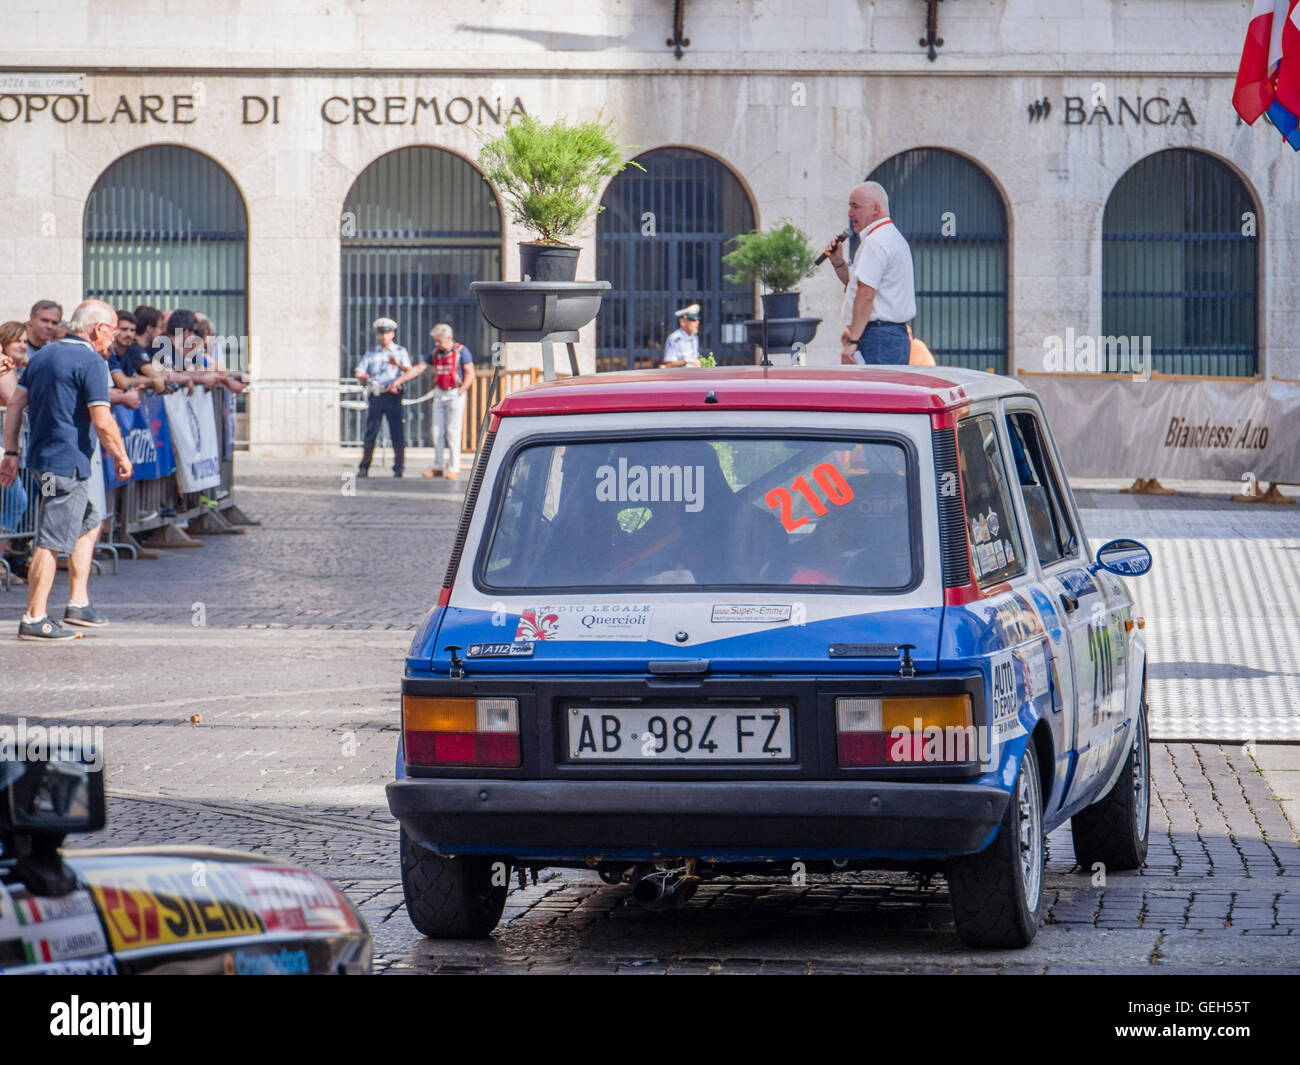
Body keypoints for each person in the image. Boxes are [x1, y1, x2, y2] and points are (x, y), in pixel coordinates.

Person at [0, 300, 132, 641]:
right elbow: (102, 421)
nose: (113, 340)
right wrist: (121, 455)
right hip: (66, 464)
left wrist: (12, 451)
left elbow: (15, 402)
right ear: (98, 328)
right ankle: (35, 616)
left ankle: (77, 602)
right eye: (114, 331)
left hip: (43, 461)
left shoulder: (43, 354)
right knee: (50, 540)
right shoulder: (90, 360)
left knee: (88, 521)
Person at [826, 182, 916, 366]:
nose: (850, 214)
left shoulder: (875, 241)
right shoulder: (891, 237)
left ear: (876, 209)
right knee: (887, 393)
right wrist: (838, 261)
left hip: (877, 337)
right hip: (889, 337)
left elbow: (866, 293)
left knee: (875, 393)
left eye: (855, 207)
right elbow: (857, 285)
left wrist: (852, 342)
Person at [354, 316, 412, 478]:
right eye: (381, 333)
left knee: (397, 432)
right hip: (377, 394)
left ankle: (399, 467)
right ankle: (364, 466)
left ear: (393, 334)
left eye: (387, 333)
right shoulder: (372, 353)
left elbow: (410, 371)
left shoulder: (400, 351)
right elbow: (358, 371)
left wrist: (397, 364)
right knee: (371, 431)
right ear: (378, 335)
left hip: (393, 394)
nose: (384, 336)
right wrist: (363, 375)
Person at [419, 323, 475, 480]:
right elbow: (421, 367)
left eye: (439, 341)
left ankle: (453, 467)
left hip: (454, 392)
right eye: (435, 341)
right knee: (437, 431)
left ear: (449, 338)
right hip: (440, 392)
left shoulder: (461, 351)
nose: (437, 344)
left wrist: (461, 390)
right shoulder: (436, 353)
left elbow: (470, 373)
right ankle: (437, 466)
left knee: (453, 432)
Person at [662, 303, 702, 367]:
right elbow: (668, 365)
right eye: (693, 320)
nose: (697, 322)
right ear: (682, 322)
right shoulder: (675, 338)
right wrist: (687, 360)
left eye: (697, 320)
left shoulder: (694, 338)